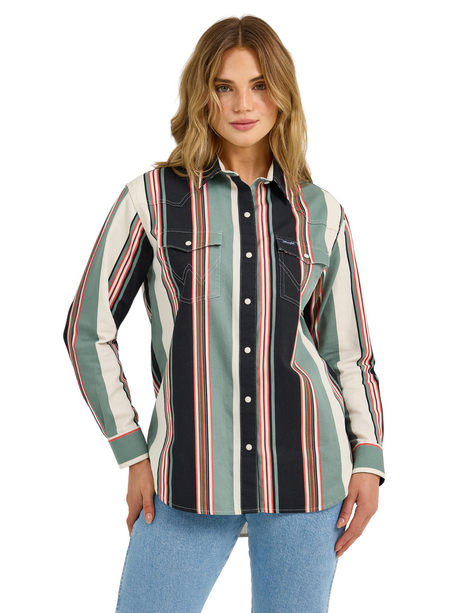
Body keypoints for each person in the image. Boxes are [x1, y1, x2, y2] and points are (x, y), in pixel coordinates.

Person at [64, 15, 384, 613]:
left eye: (260, 85)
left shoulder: (321, 212)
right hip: (186, 473)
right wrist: (131, 451)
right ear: (201, 95)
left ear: (282, 94)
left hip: (307, 472)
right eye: (223, 87)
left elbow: (348, 353)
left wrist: (368, 457)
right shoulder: (152, 198)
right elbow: (87, 330)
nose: (242, 104)